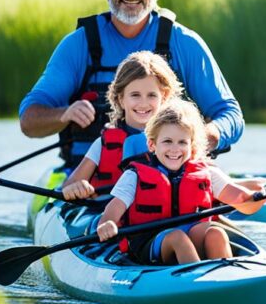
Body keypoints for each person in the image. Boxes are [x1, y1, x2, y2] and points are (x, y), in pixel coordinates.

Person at [19, 0, 243, 176]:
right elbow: (28, 120)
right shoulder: (79, 45)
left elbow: (231, 114)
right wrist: (63, 114)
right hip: (92, 183)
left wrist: (203, 136)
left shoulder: (183, 42)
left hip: (170, 178)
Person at [96, 99, 265, 265]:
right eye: (167, 141)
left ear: (192, 146)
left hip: (191, 236)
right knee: (178, 238)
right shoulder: (134, 175)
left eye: (182, 142)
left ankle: (228, 276)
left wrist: (257, 197)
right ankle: (194, 281)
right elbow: (112, 211)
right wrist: (106, 224)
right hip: (148, 243)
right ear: (152, 144)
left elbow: (240, 199)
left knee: (215, 232)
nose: (175, 149)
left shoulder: (207, 173)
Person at [61, 51, 181, 200]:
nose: (143, 103)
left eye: (151, 95)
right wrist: (76, 188)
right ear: (121, 99)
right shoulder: (102, 145)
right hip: (108, 217)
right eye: (135, 95)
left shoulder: (180, 141)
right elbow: (68, 186)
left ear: (164, 97)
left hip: (163, 219)